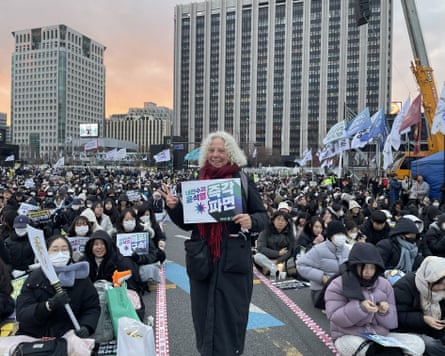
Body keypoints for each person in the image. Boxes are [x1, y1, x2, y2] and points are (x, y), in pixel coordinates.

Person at [160, 131, 269, 356]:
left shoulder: (242, 180)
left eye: (221, 150)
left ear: (231, 153)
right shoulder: (198, 181)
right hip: (202, 259)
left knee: (231, 316)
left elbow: (262, 217)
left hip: (232, 262)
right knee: (203, 316)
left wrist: (251, 220)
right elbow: (189, 224)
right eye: (211, 150)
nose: (215, 154)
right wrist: (174, 207)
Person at [325, 242, 425, 356]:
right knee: (354, 345)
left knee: (417, 343)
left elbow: (392, 323)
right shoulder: (338, 284)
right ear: (354, 265)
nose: (369, 272)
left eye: (372, 267)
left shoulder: (385, 285)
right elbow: (336, 318)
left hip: (379, 336)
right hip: (349, 335)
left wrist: (383, 312)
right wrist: (361, 308)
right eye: (364, 267)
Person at [16, 235, 100, 338]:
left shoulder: (81, 277)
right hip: (37, 337)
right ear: (46, 253)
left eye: (64, 249)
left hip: (70, 335)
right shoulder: (35, 278)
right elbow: (23, 313)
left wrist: (87, 326)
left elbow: (92, 307)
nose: (60, 253)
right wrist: (48, 305)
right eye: (55, 250)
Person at [393, 256, 445, 355]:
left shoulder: (442, 291)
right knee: (431, 345)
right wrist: (423, 319)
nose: (442, 289)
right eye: (440, 284)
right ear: (430, 279)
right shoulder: (405, 286)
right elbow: (397, 315)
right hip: (408, 330)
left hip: (433, 327)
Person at [296, 220, 350, 307]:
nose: (341, 237)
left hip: (341, 289)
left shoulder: (347, 250)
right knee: (339, 304)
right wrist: (321, 277)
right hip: (321, 290)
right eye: (338, 234)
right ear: (330, 235)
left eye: (343, 234)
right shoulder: (319, 249)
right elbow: (301, 265)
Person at [376, 218, 423, 283]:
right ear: (401, 234)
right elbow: (377, 267)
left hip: (408, 282)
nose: (412, 237)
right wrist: (389, 275)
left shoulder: (415, 248)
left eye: (414, 235)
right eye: (409, 234)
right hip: (387, 282)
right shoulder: (386, 245)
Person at [253, 210, 296, 280]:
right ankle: (277, 271)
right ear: (273, 221)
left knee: (294, 260)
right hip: (267, 258)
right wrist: (277, 253)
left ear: (286, 223)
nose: (280, 222)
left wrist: (277, 260)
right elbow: (261, 248)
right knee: (257, 257)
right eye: (278, 219)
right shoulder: (265, 231)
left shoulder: (289, 233)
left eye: (283, 220)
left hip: (282, 260)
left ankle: (269, 269)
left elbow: (290, 250)